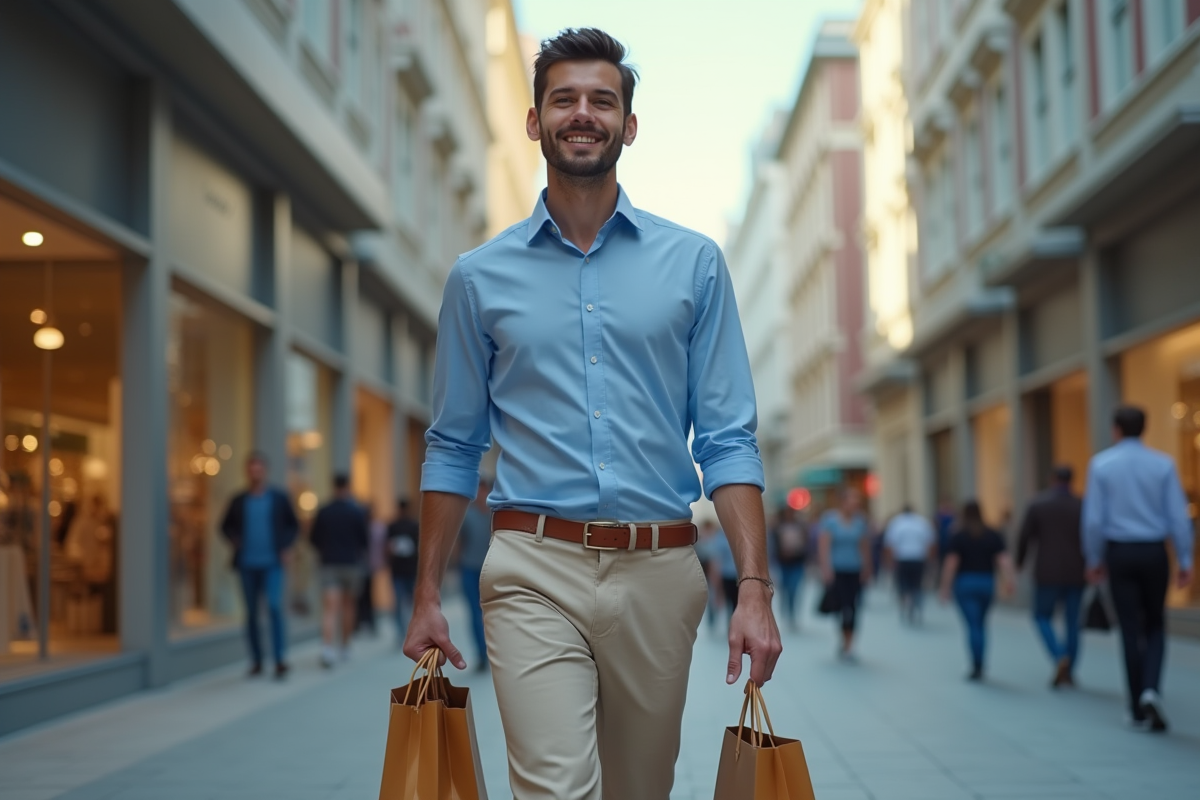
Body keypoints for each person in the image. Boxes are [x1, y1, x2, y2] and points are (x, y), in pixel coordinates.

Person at [404, 28, 782, 800]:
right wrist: (425, 595)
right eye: (564, 99)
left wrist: (754, 589)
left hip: (661, 570)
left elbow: (727, 439)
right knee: (554, 789)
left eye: (602, 100)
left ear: (628, 126)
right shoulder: (479, 279)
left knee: (639, 790)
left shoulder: (695, 264)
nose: (584, 113)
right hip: (531, 567)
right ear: (535, 121)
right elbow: (451, 444)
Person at [1083, 406, 1194, 732]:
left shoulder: (1101, 465)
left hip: (1119, 552)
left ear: (1115, 428)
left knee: (1130, 627)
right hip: (1153, 551)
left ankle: (1135, 706)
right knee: (1156, 623)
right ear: (1144, 429)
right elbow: (1178, 516)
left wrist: (1094, 559)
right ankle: (1151, 689)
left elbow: (1093, 521)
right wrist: (1185, 559)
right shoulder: (1162, 464)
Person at [220, 452, 298, 679]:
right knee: (252, 613)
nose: (255, 473)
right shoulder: (238, 500)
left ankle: (279, 659)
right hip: (247, 564)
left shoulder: (279, 498)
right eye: (251, 469)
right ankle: (256, 660)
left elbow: (293, 526)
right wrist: (235, 540)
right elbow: (224, 526)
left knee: (274, 607)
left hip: (272, 563)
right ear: (247, 472)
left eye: (259, 469)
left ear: (265, 471)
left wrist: (286, 547)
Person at [1016, 464, 1086, 688]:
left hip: (1047, 572)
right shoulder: (1081, 505)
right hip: (1076, 571)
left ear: (1052, 479)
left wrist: (1019, 563)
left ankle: (1059, 656)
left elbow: (1024, 537)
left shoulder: (1038, 504)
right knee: (1072, 622)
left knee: (1041, 616)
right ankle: (1069, 666)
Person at [939, 500, 1015, 681]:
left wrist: (945, 587)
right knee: (981, 624)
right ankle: (980, 661)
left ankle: (976, 664)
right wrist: (1010, 580)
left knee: (973, 625)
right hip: (986, 583)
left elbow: (951, 564)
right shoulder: (992, 534)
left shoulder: (959, 535)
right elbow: (1003, 560)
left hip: (965, 583)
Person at [309, 474, 369, 668]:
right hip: (351, 563)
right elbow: (364, 540)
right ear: (348, 486)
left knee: (330, 608)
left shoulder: (324, 511)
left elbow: (313, 538)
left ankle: (327, 649)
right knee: (348, 607)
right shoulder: (356, 511)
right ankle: (345, 646)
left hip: (329, 563)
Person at [817, 488, 873, 659]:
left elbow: (864, 547)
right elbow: (824, 546)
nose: (854, 504)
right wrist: (826, 569)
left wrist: (867, 568)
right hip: (837, 570)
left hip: (854, 569)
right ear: (842, 502)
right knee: (840, 606)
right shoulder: (831, 521)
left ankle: (850, 643)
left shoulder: (860, 522)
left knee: (854, 606)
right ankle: (843, 637)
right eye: (851, 500)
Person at [456, 478, 492, 671]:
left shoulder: (495, 514)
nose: (481, 495)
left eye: (483, 490)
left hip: (491, 569)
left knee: (491, 614)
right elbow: (459, 542)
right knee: (474, 613)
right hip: (469, 568)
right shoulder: (467, 515)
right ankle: (481, 653)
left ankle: (494, 652)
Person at [883, 504, 935, 624]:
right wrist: (930, 559)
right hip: (918, 558)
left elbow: (889, 544)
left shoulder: (897, 523)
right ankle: (916, 602)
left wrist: (889, 561)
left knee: (903, 583)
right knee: (917, 583)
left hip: (902, 558)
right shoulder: (922, 522)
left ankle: (905, 602)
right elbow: (931, 542)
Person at [386, 499, 420, 648]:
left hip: (403, 570)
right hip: (405, 570)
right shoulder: (408, 526)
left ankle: (407, 632)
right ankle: (408, 632)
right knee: (405, 603)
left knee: (402, 603)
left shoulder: (402, 526)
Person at [770, 507, 808, 632]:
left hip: (797, 562)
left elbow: (805, 543)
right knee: (785, 589)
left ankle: (792, 614)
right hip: (783, 563)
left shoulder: (800, 527)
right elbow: (772, 546)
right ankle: (785, 613)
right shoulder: (778, 528)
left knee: (794, 588)